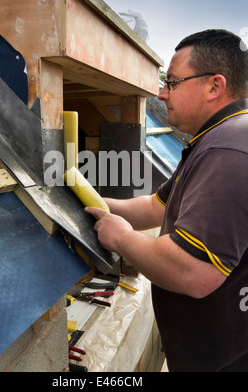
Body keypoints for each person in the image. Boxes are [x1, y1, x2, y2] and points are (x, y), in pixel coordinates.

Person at [85, 29, 248, 372]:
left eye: (172, 82)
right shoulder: (215, 139)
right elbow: (155, 208)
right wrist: (88, 199)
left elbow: (193, 271)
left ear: (214, 86)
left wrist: (122, 238)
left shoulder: (228, 148)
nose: (161, 94)